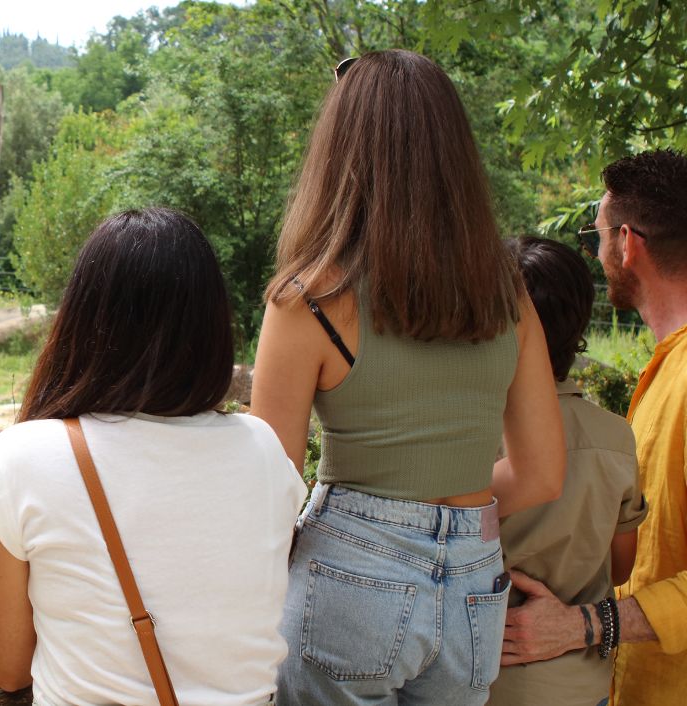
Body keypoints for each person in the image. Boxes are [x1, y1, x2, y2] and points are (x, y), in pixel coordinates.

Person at [250, 49, 565, 706]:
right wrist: (440, 526)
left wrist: (386, 526)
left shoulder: (308, 300)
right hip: (477, 586)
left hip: (350, 574)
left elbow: (267, 496)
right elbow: (540, 474)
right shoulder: (508, 296)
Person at [0, 208, 306, 705]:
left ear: (83, 321)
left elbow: (10, 669)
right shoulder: (263, 450)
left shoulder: (19, 461)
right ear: (212, 326)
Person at [498, 149, 687, 706]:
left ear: (627, 243)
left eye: (594, 234)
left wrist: (585, 624)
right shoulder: (659, 374)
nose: (595, 249)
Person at [485, 237, 646, 706]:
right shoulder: (616, 438)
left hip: (482, 680)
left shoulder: (467, 435)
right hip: (579, 685)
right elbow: (621, 568)